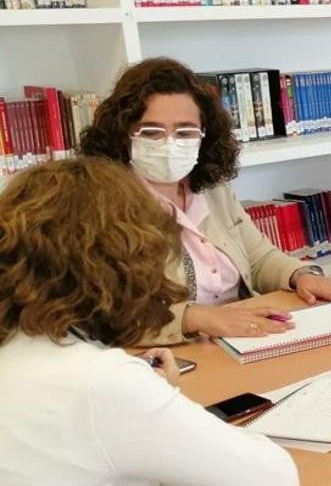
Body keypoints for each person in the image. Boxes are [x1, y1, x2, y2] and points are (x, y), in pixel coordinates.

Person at [0, 158, 298, 485]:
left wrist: (152, 400)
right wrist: (161, 403)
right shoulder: (103, 383)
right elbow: (272, 476)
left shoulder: (19, 344)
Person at [80, 58, 331, 346]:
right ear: (122, 134)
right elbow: (106, 315)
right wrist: (195, 318)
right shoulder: (100, 207)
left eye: (185, 131)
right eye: (151, 131)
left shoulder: (213, 190)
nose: (169, 143)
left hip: (245, 337)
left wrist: (300, 275)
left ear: (205, 136)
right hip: (173, 353)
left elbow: (259, 258)